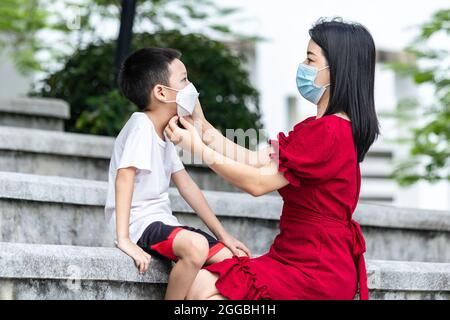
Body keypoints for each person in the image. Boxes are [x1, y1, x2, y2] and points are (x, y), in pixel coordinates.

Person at [165, 18, 380, 300]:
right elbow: (255, 160)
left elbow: (257, 183)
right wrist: (203, 128)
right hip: (298, 258)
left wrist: (199, 150)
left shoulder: (328, 132)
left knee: (203, 285)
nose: (303, 65)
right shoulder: (323, 128)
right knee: (202, 282)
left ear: (335, 71)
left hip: (315, 269)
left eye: (310, 59)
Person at [104, 48, 251, 300]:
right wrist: (124, 239)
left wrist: (224, 236)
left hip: (163, 224)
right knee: (196, 246)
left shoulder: (166, 133)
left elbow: (188, 187)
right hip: (140, 225)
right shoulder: (141, 124)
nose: (191, 88)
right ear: (161, 92)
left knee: (233, 259)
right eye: (184, 80)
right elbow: (124, 176)